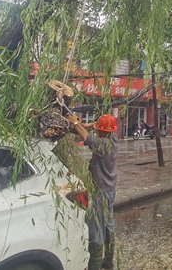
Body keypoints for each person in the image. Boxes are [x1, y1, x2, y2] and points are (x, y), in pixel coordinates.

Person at [68, 113, 118, 270]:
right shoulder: (113, 139)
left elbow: (88, 139)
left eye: (99, 130)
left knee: (96, 231)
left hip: (100, 193)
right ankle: (109, 261)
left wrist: (76, 124)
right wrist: (88, 125)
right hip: (109, 191)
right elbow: (91, 133)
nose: (97, 132)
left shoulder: (103, 145)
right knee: (108, 225)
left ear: (104, 132)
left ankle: (94, 266)